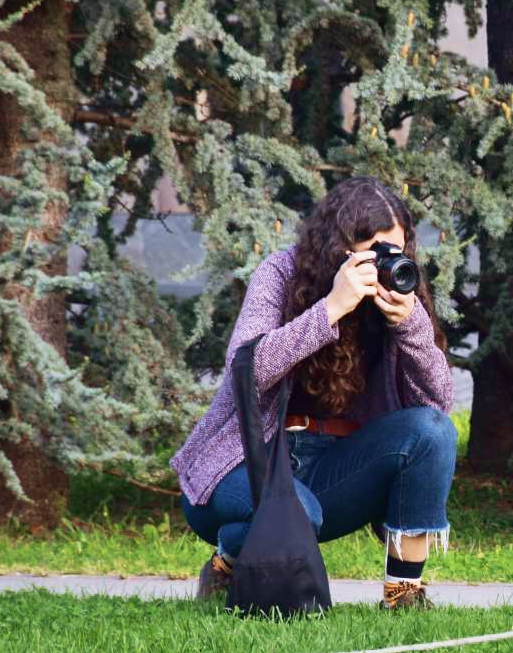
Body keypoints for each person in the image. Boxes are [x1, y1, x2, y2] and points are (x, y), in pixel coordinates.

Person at [172, 177, 457, 610]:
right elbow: (245, 374)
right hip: (247, 460)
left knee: (432, 431)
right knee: (297, 512)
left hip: (332, 468)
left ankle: (404, 595)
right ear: (339, 247)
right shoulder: (280, 274)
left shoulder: (399, 291)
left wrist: (411, 325)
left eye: (396, 251)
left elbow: (437, 403)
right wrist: (331, 309)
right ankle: (229, 560)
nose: (387, 263)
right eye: (376, 251)